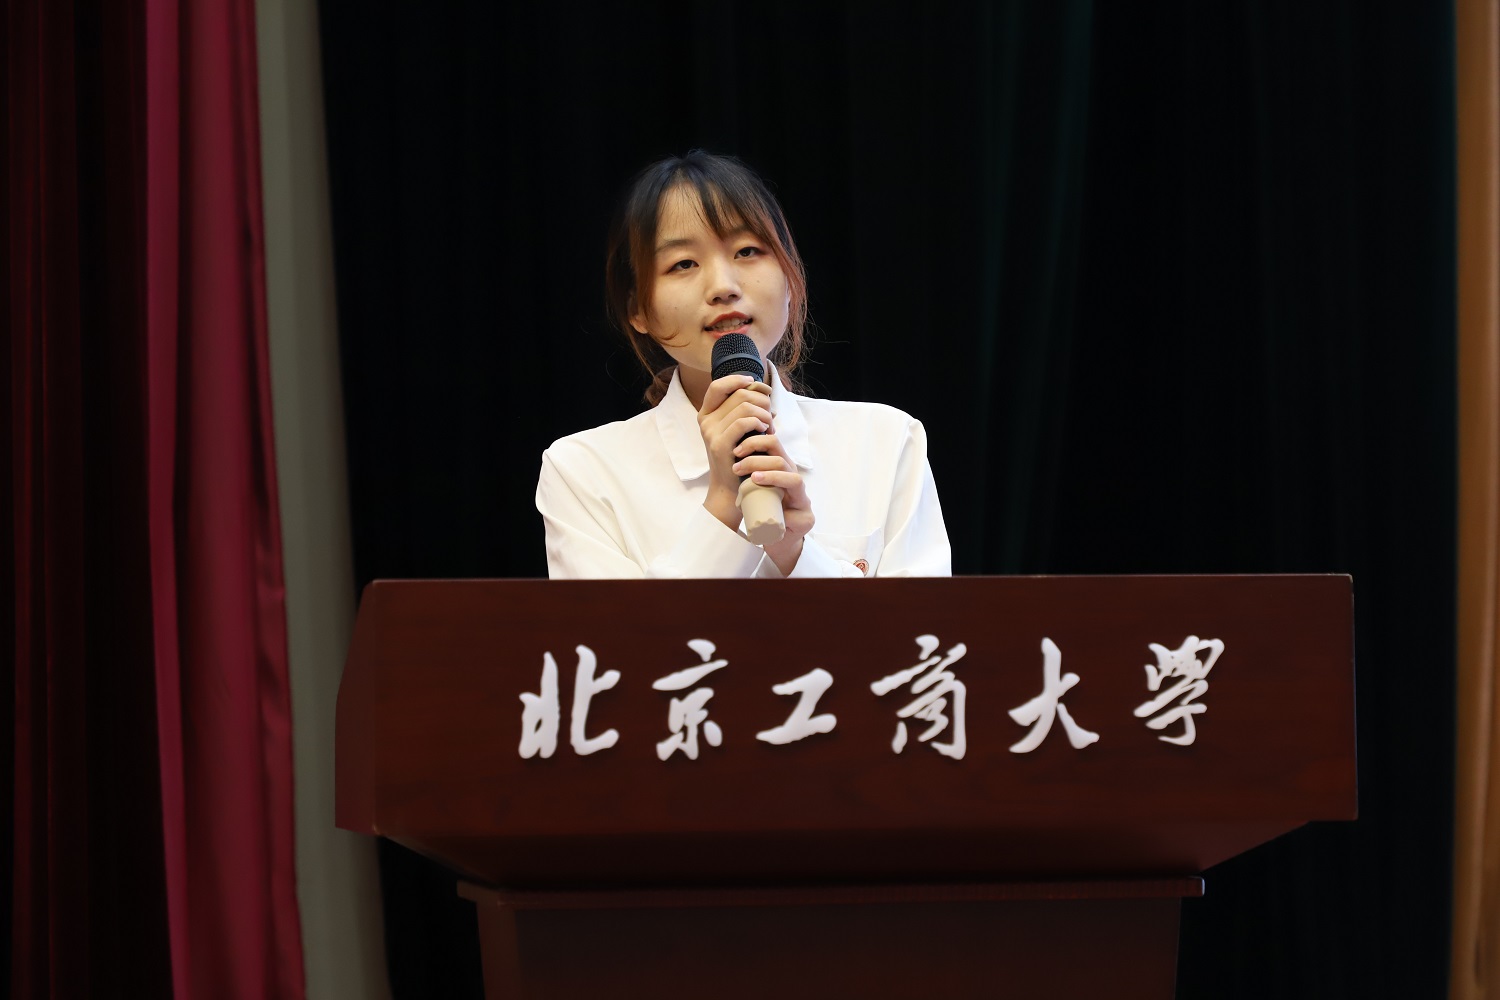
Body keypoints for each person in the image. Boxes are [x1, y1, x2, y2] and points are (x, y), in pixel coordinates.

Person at [536, 151, 950, 579]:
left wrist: (795, 552)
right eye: (683, 263)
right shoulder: (583, 471)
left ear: (790, 278)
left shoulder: (886, 442)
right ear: (637, 309)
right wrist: (721, 507)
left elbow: (920, 623)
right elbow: (620, 627)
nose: (723, 286)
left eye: (748, 251)